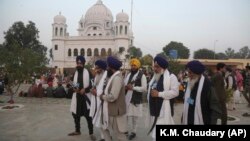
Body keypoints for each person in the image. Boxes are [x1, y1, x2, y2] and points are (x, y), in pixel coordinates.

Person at [147, 55, 179, 141]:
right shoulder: (155, 76)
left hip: (164, 111)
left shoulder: (171, 77)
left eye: (157, 67)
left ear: (163, 67)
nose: (155, 69)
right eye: (154, 66)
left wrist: (159, 94)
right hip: (154, 110)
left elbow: (175, 92)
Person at [182, 60, 221, 125]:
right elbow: (190, 100)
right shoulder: (190, 83)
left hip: (203, 120)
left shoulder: (207, 85)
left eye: (190, 72)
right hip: (188, 118)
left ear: (197, 73)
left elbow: (215, 108)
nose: (188, 75)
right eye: (188, 72)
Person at [68, 55, 96, 141]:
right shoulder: (75, 73)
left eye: (80, 63)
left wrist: (85, 89)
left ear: (83, 64)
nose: (79, 64)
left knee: (88, 116)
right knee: (75, 115)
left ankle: (91, 133)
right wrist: (74, 87)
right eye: (78, 63)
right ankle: (77, 130)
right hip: (77, 97)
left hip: (86, 97)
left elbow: (93, 84)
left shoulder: (88, 72)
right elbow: (73, 83)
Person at [100, 56, 127, 141]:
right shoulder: (113, 77)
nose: (107, 68)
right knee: (104, 128)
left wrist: (102, 96)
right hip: (110, 110)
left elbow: (113, 96)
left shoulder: (117, 78)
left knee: (120, 135)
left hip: (116, 111)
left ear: (111, 67)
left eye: (108, 66)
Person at [124, 58, 147, 140]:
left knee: (135, 117)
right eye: (132, 65)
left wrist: (133, 88)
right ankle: (125, 130)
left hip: (135, 99)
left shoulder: (142, 75)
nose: (133, 67)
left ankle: (134, 132)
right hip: (127, 98)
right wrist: (125, 87)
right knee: (126, 115)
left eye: (134, 65)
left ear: (137, 66)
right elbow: (125, 83)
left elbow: (144, 88)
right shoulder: (128, 74)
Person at [90, 60, 107, 141]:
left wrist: (96, 92)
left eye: (97, 68)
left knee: (103, 120)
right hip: (96, 101)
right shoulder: (97, 75)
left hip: (102, 101)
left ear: (102, 68)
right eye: (95, 67)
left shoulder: (106, 76)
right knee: (98, 120)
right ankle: (102, 137)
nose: (96, 69)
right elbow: (95, 85)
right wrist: (92, 89)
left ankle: (105, 137)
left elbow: (106, 89)